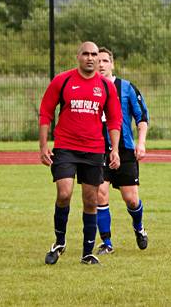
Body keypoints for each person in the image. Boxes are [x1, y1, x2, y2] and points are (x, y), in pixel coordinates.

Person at [39, 41, 122, 266]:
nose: (90, 58)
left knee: (91, 200)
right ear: (78, 56)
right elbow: (46, 111)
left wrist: (114, 149)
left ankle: (87, 252)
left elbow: (115, 120)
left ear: (98, 58)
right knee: (64, 193)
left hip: (94, 149)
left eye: (94, 54)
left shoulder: (106, 86)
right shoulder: (63, 80)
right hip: (65, 147)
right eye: (85, 54)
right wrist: (43, 144)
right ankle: (59, 242)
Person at [95, 47, 150, 253]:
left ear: (112, 64)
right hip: (98, 149)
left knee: (131, 199)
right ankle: (107, 243)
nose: (101, 64)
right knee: (100, 192)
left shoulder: (126, 88)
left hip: (125, 149)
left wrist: (141, 143)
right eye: (98, 60)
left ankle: (139, 227)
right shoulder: (90, 88)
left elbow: (142, 117)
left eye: (105, 61)